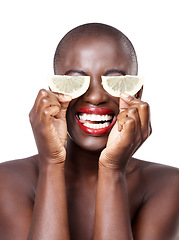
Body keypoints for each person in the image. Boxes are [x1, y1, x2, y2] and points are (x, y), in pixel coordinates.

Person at [0, 23, 178, 240]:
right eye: (76, 80)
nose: (95, 97)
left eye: (114, 81)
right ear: (55, 91)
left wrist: (112, 169)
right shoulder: (7, 180)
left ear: (136, 94)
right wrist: (51, 164)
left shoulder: (168, 184)